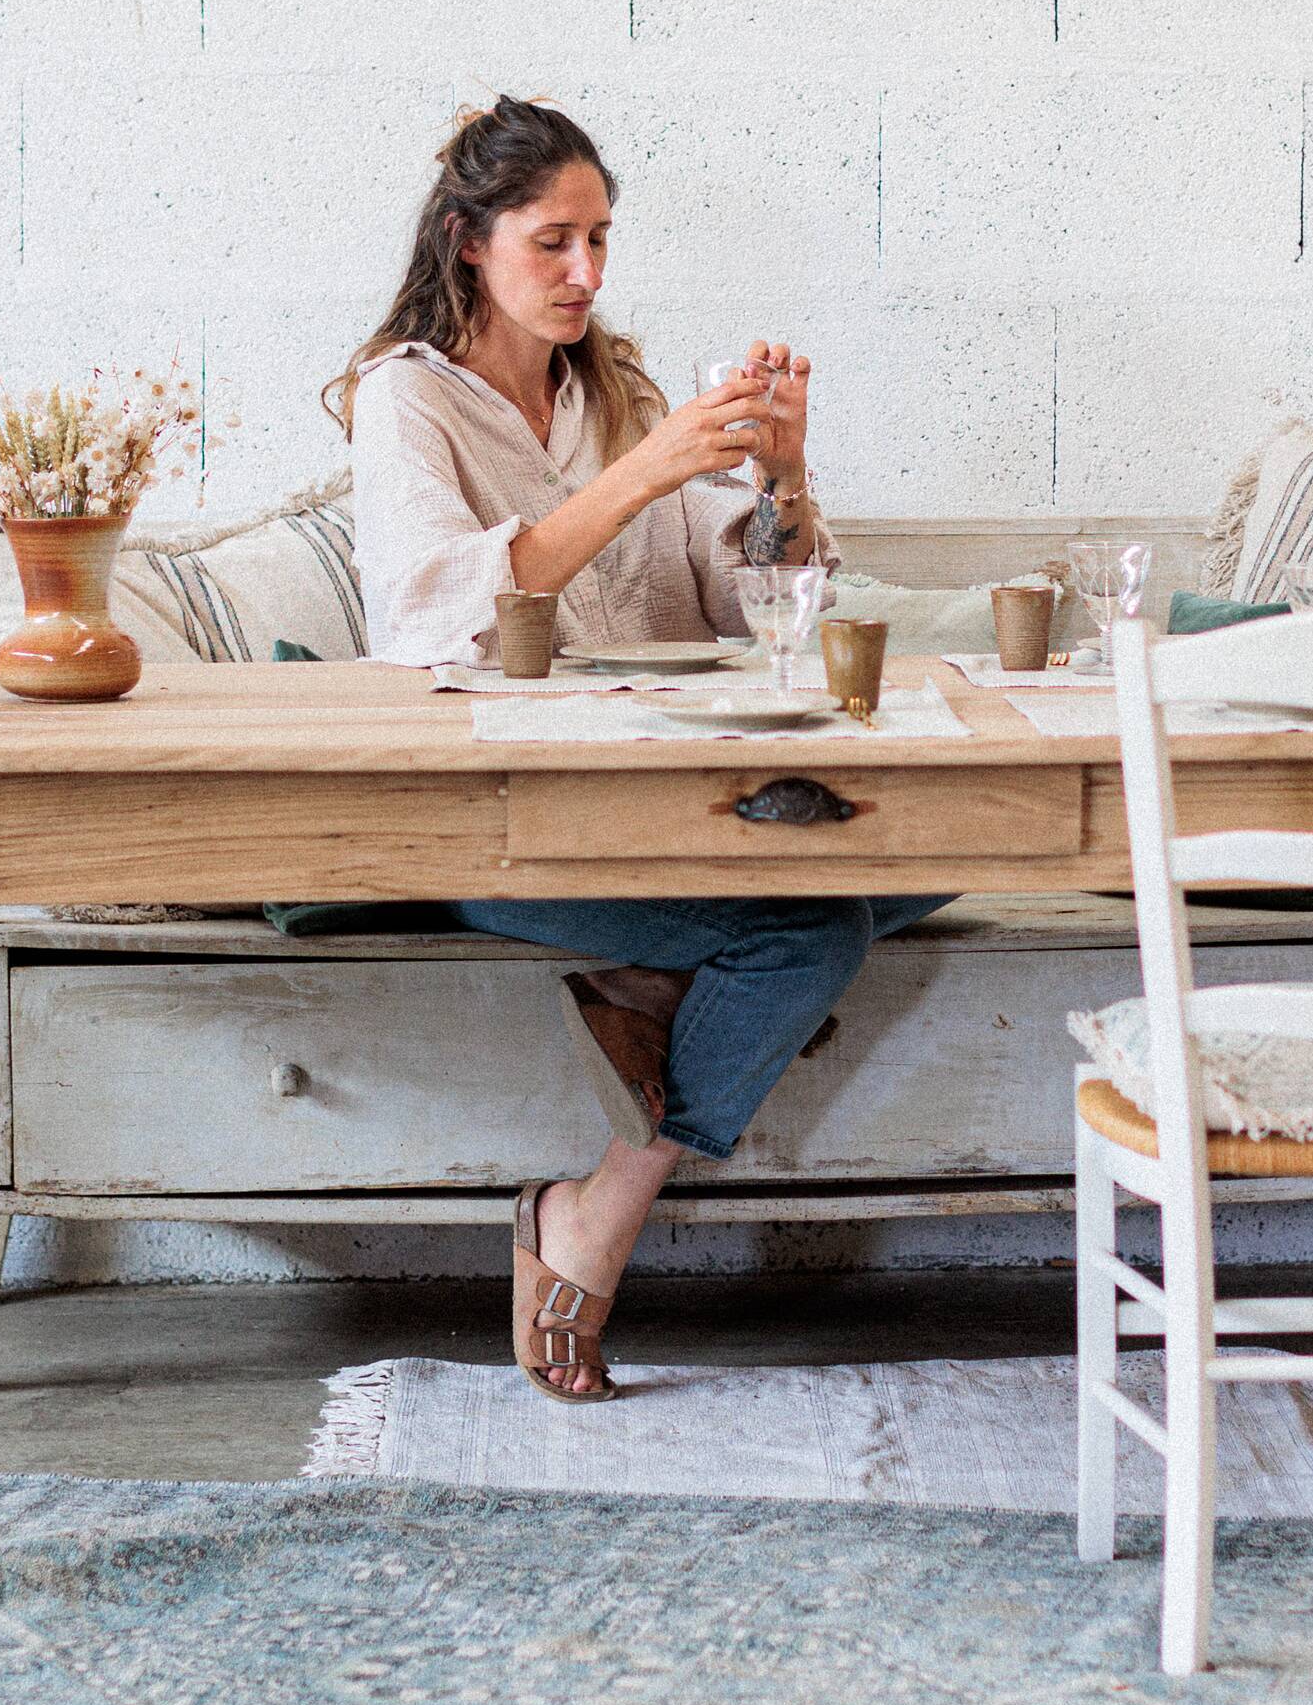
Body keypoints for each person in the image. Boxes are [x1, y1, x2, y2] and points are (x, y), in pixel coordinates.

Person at [329, 96, 938, 1401]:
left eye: (600, 239)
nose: (586, 275)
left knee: (937, 844)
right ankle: (600, 1209)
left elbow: (751, 606)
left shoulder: (617, 386)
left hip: (673, 800)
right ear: (466, 242)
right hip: (496, 819)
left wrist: (782, 479)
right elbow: (443, 612)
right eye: (553, 243)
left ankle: (655, 1013)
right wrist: (651, 466)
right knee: (814, 931)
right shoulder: (404, 404)